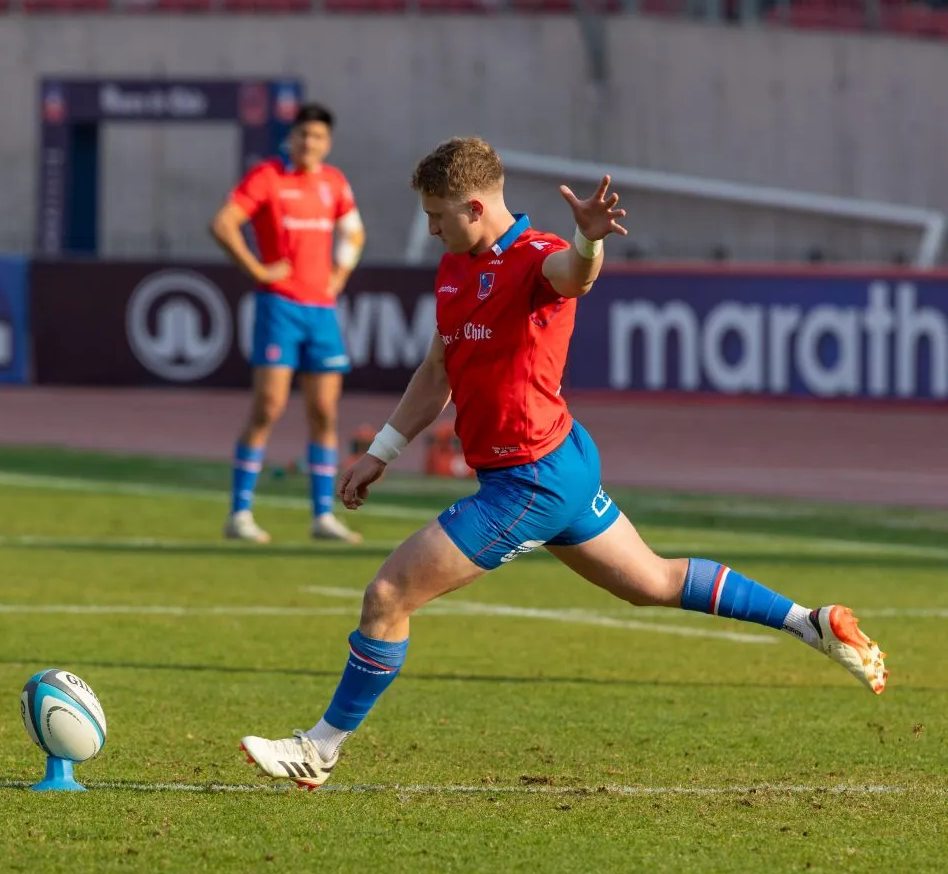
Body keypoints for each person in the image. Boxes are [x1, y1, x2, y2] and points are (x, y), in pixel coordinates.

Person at [240, 137, 888, 789]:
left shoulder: (538, 257)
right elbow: (437, 371)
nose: (430, 228)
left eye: (437, 216)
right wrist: (381, 452)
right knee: (654, 583)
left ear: (473, 205)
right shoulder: (455, 268)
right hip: (558, 464)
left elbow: (575, 275)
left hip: (529, 480)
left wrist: (590, 242)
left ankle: (320, 748)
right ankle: (810, 623)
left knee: (387, 595)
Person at [210, 102, 366, 544]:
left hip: (321, 311)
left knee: (323, 412)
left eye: (317, 137)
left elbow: (354, 232)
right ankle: (239, 513)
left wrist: (340, 274)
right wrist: (257, 270)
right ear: (290, 139)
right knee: (270, 406)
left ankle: (323, 516)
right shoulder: (266, 178)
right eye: (302, 136)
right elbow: (224, 224)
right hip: (278, 307)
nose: (309, 143)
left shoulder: (334, 182)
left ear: (327, 143)